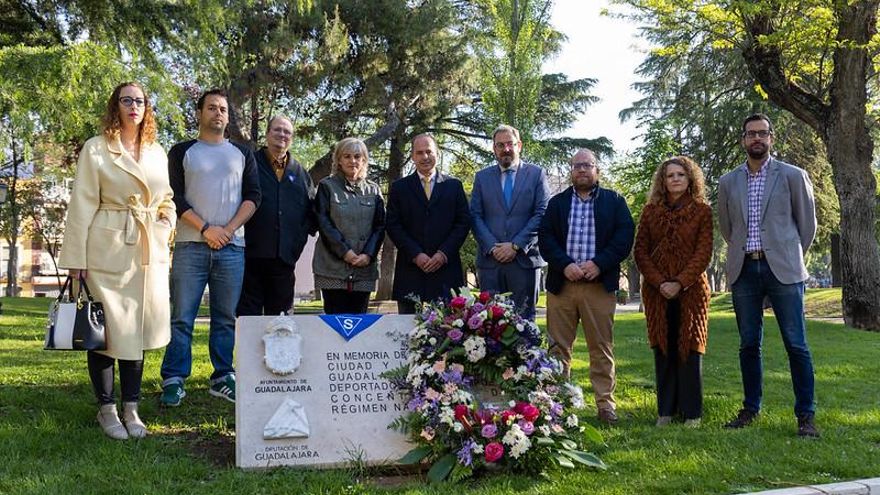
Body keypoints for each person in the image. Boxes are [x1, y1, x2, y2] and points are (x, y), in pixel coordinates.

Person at [59, 81, 176, 439]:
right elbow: (81, 203)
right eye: (127, 100)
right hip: (105, 249)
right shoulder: (96, 148)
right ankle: (107, 409)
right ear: (116, 106)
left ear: (147, 108)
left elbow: (167, 198)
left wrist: (166, 223)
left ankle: (132, 409)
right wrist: (76, 258)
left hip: (147, 250)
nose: (134, 106)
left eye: (140, 101)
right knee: (108, 331)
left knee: (136, 330)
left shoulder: (156, 151)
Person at [718, 113, 819, 437]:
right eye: (751, 134)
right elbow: (727, 227)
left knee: (796, 344)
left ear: (771, 138)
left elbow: (807, 225)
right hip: (744, 269)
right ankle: (750, 408)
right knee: (749, 344)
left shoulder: (793, 175)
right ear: (743, 140)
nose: (757, 138)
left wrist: (789, 253)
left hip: (784, 270)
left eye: (762, 133)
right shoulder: (728, 182)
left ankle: (806, 416)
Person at [159, 89, 261, 407]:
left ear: (228, 117)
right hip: (190, 245)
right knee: (182, 317)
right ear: (199, 113)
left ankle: (222, 377)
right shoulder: (182, 151)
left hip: (232, 247)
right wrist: (206, 229)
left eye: (223, 109)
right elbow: (175, 197)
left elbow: (253, 197)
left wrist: (226, 231)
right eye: (212, 108)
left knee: (225, 318)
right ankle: (174, 379)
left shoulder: (242, 154)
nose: (218, 113)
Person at [538, 148, 634, 425]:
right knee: (557, 349)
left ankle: (605, 405)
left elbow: (624, 237)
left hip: (598, 286)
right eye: (577, 165)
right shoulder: (557, 204)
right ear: (571, 171)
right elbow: (545, 238)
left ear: (596, 170)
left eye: (587, 165)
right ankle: (556, 405)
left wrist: (599, 263)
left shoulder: (614, 201)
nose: (582, 169)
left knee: (601, 347)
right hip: (563, 285)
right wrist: (564, 264)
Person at [633, 156, 713, 428]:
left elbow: (703, 252)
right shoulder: (650, 212)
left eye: (681, 174)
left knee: (690, 348)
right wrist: (660, 283)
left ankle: (692, 414)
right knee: (663, 347)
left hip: (692, 291)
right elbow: (640, 252)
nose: (675, 179)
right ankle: (665, 411)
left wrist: (679, 282)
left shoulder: (702, 211)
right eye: (670, 175)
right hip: (657, 292)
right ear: (663, 181)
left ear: (690, 179)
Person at [237, 115, 316, 316]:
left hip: (284, 260)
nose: (282, 134)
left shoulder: (300, 173)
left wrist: (296, 244)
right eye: (277, 130)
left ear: (292, 138)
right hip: (250, 256)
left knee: (281, 322)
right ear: (267, 133)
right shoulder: (249, 163)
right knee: (248, 319)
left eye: (287, 132)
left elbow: (310, 213)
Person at [470, 124, 550, 320]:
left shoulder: (536, 174)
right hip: (490, 263)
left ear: (519, 145)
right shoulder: (482, 177)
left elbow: (542, 213)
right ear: (494, 148)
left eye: (510, 144)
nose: (505, 149)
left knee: (524, 322)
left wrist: (515, 245)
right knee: (488, 323)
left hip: (524, 262)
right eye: (500, 145)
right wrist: (492, 247)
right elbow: (475, 216)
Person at [386, 134, 470, 313]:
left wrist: (443, 254)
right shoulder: (399, 188)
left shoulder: (454, 186)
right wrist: (416, 254)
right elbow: (393, 225)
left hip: (446, 271)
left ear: (437, 154)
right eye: (419, 153)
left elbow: (463, 223)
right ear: (412, 156)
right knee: (406, 327)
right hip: (410, 271)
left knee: (449, 327)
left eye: (429, 151)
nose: (425, 157)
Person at [312, 137, 385, 314]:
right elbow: (324, 223)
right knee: (335, 325)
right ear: (338, 160)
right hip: (332, 269)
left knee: (359, 325)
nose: (353, 161)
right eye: (347, 156)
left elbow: (380, 226)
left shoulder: (374, 190)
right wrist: (346, 253)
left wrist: (368, 254)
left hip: (364, 270)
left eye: (357, 156)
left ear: (364, 160)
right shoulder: (327, 186)